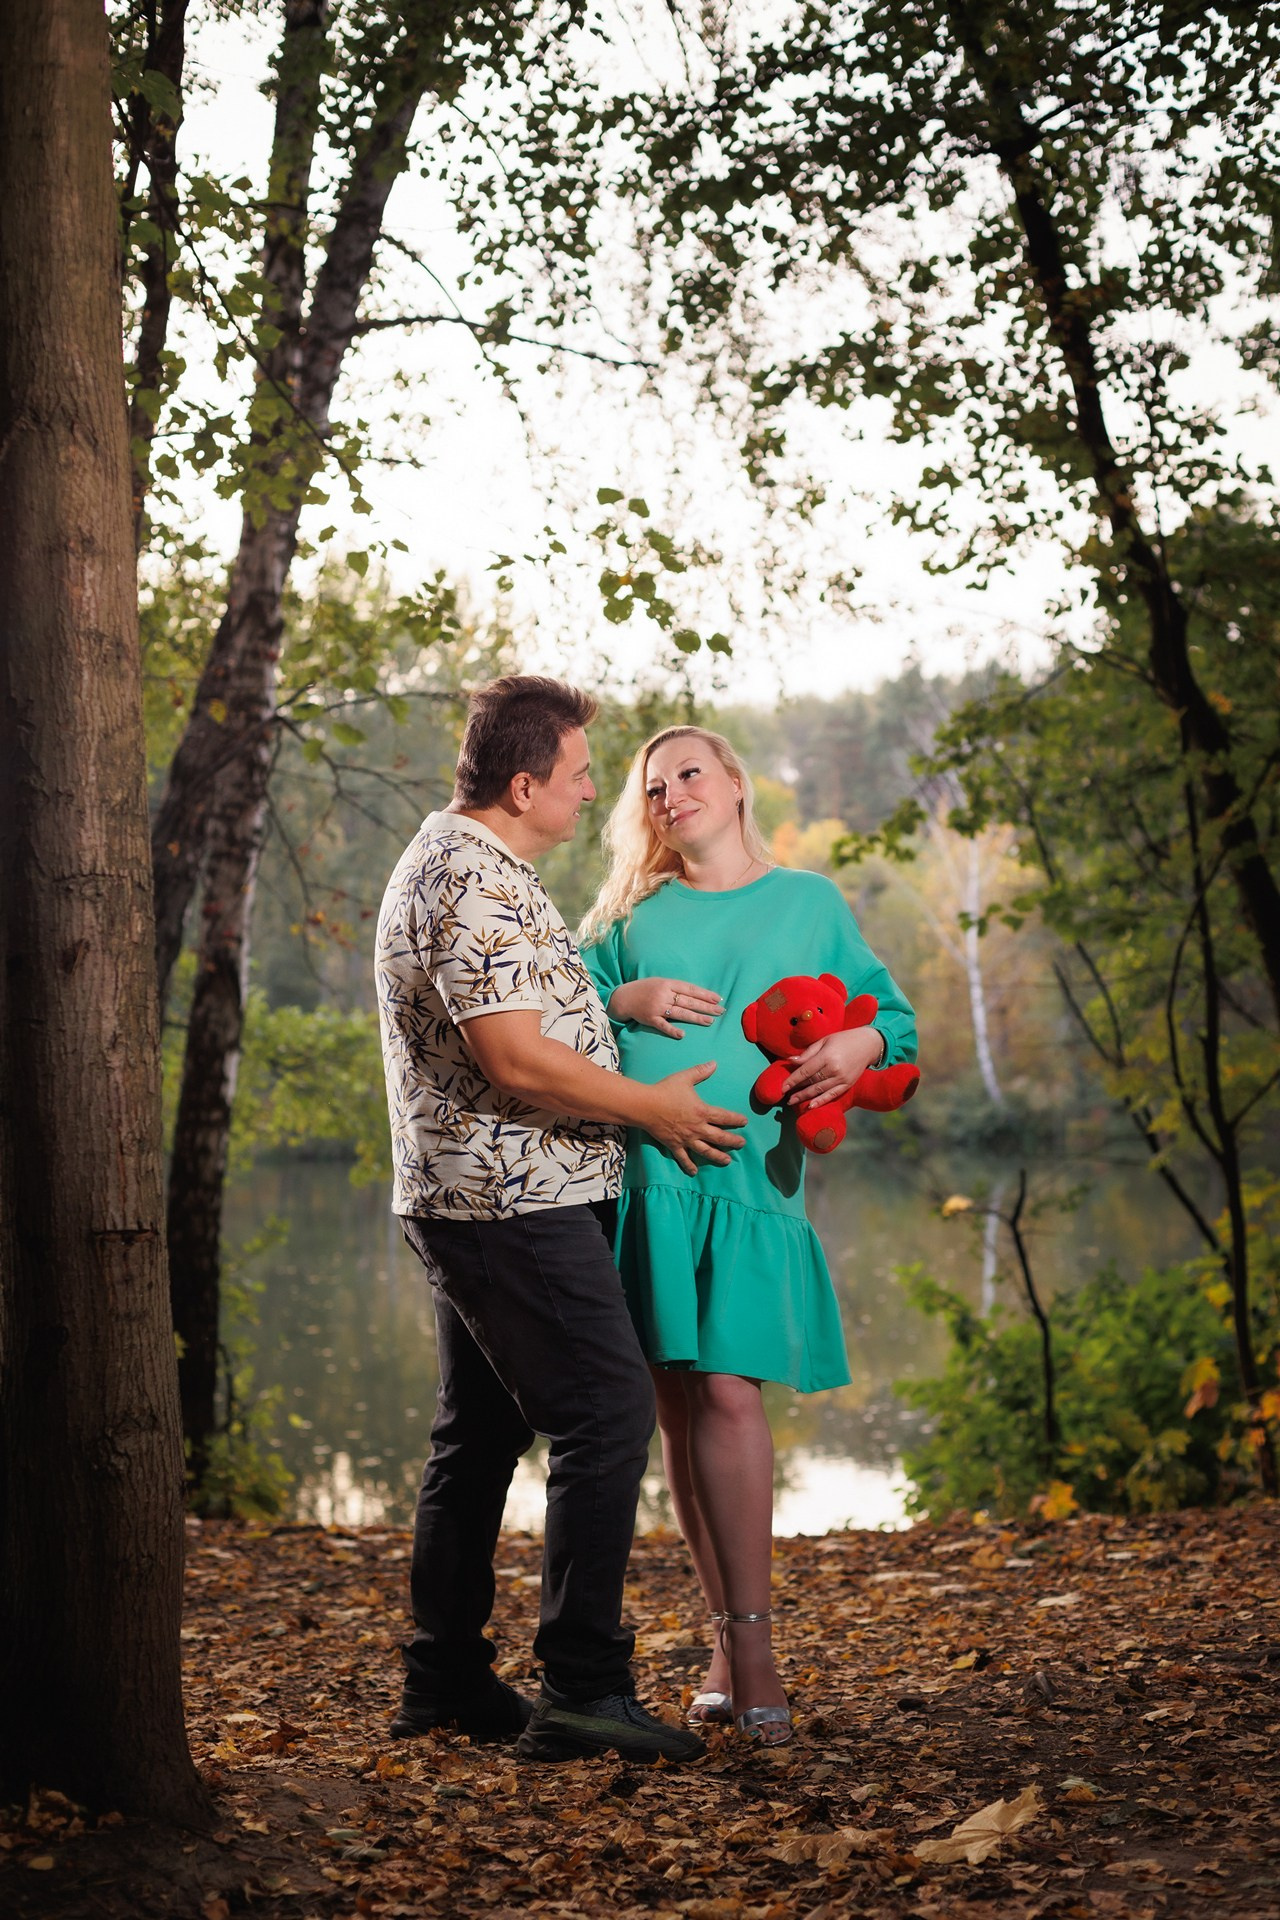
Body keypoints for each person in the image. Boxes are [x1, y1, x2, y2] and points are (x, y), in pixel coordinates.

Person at [374, 677, 747, 1765]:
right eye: (582, 774)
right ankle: (584, 1686)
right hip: (507, 1202)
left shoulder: (484, 867)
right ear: (524, 782)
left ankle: (441, 1679)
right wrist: (653, 1110)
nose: (595, 792)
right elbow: (512, 1056)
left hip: (496, 1195)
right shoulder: (464, 878)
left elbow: (535, 1009)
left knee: (480, 1435)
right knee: (606, 1413)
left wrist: (613, 1006)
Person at [579, 726, 917, 1744]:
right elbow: (546, 1014)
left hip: (748, 1186)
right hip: (646, 1179)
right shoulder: (632, 914)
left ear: (732, 782)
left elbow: (892, 1026)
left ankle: (757, 1647)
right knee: (677, 1411)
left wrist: (857, 1040)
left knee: (727, 1391)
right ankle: (726, 1644)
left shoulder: (807, 902)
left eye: (688, 772)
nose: (670, 792)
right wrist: (619, 996)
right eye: (652, 785)